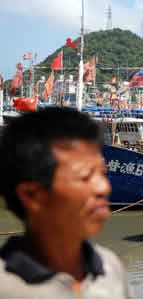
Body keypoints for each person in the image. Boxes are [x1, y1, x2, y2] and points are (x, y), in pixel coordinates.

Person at [0, 107, 130, 298]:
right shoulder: (7, 287)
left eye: (103, 174)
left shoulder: (110, 268)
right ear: (32, 195)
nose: (103, 188)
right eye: (85, 177)